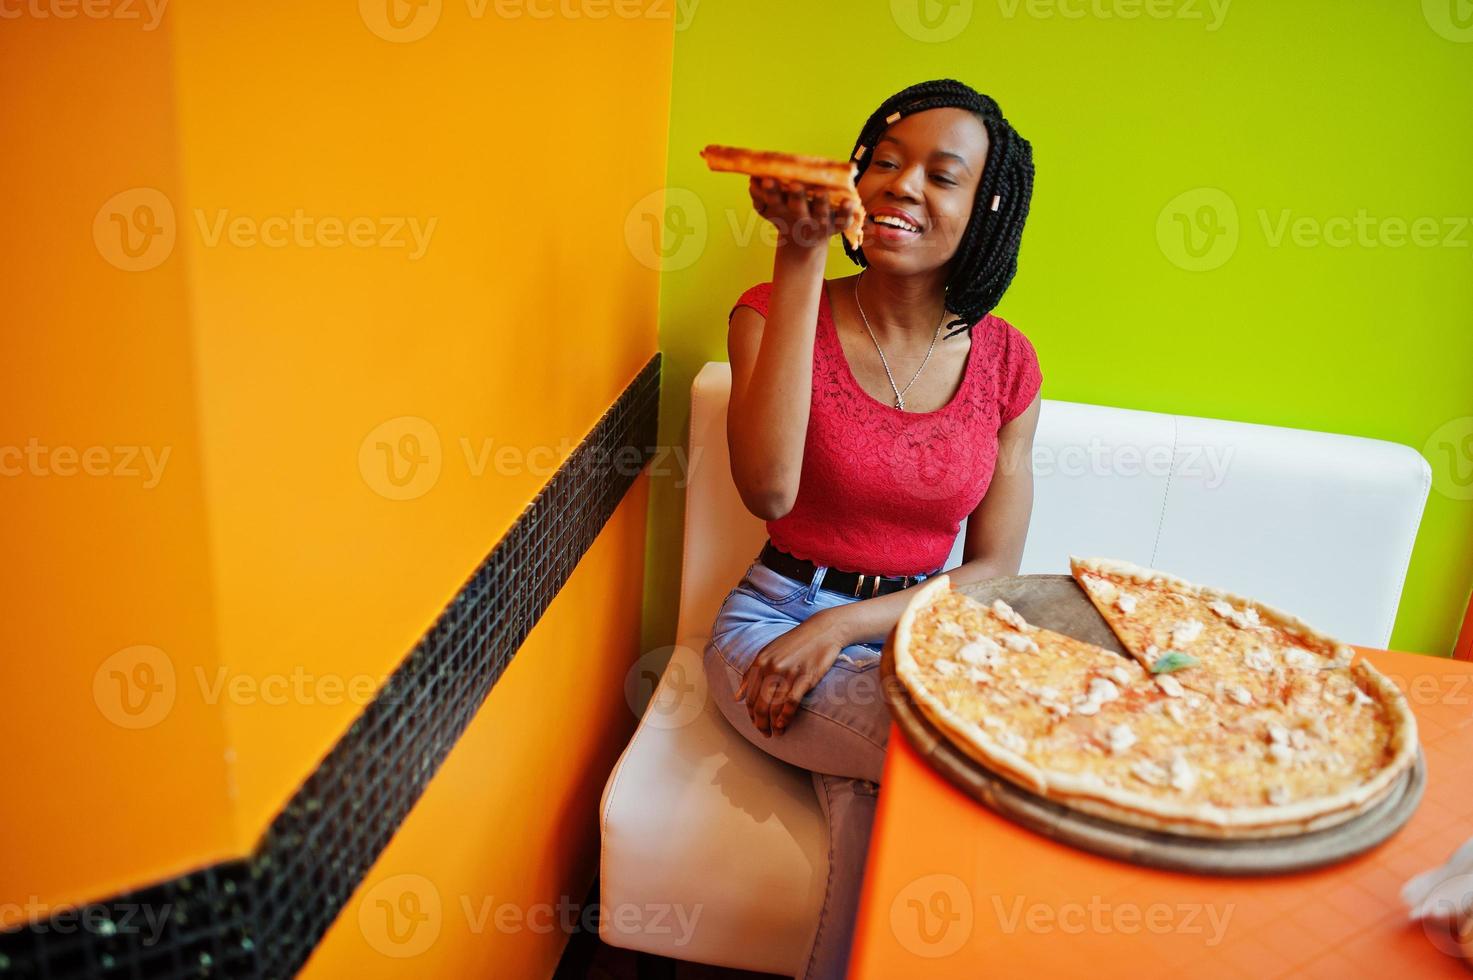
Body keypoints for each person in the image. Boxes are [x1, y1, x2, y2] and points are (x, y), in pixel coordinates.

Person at [701, 78, 1043, 980]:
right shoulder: (769, 311)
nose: (901, 186)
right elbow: (767, 493)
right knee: (960, 762)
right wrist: (799, 255)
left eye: (941, 174)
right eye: (883, 164)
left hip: (901, 639)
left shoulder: (1006, 360)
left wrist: (846, 625)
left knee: (872, 818)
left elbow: (999, 565)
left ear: (986, 206)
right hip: (770, 628)